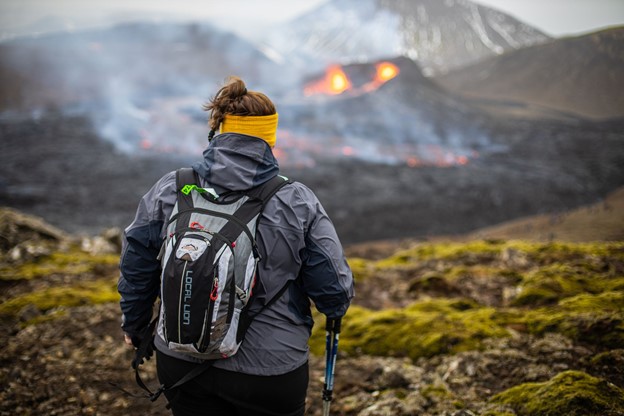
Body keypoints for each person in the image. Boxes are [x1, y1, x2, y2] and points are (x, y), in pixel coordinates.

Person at [117, 76, 355, 416]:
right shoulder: (296, 201)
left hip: (180, 358)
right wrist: (333, 308)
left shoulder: (173, 188)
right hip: (269, 369)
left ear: (218, 132)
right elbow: (334, 290)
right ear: (269, 139)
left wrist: (135, 323)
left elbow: (137, 260)